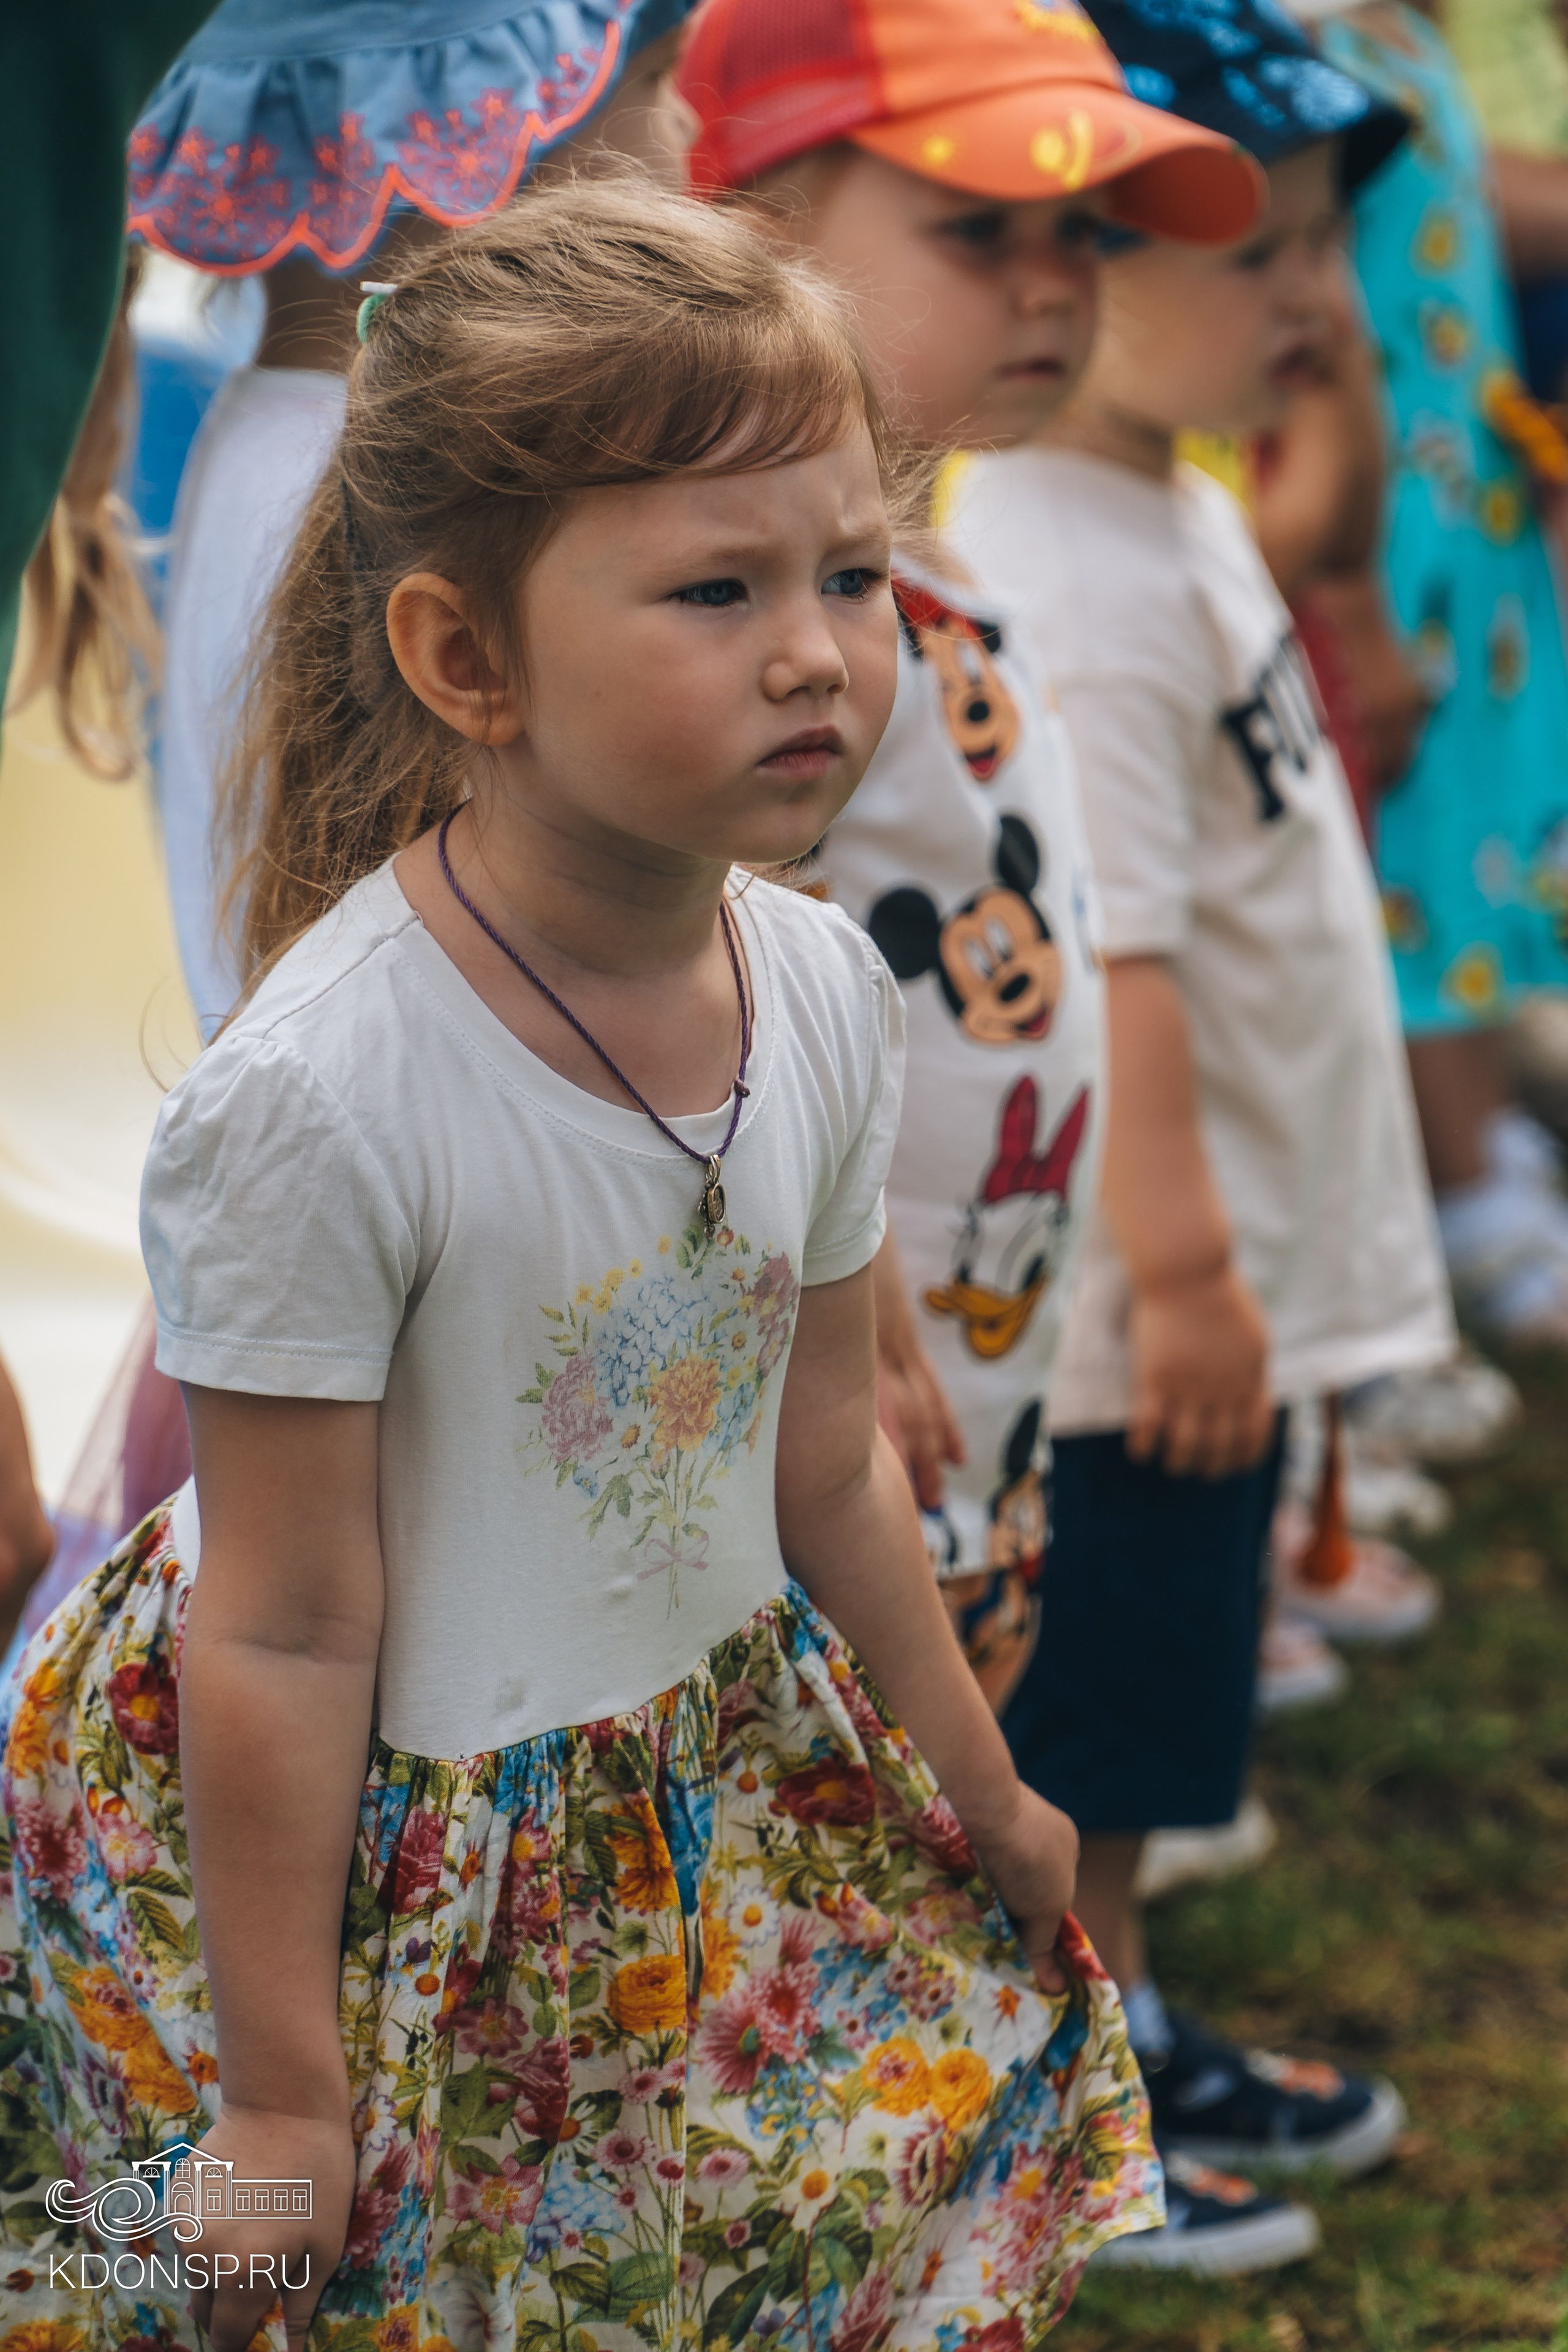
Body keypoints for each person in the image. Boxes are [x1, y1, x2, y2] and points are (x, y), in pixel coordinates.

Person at [0, 183, 1160, 2351]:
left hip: (684, 1779)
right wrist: (280, 2097)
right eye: (718, 588)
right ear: (468, 658)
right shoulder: (323, 1102)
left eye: (851, 574)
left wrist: (982, 1787)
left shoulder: (824, 990)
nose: (815, 651)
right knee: (361, 2285)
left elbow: (827, 1460)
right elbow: (285, 1622)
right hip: (352, 1849)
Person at [948, 0, 1455, 2274]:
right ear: (1085, 263)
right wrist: (1185, 1274)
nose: (1320, 301)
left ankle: (1121, 2026)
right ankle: (1077, 2104)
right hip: (1144, 1313)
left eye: (1326, 246)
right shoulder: (1062, 565)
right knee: (1102, 1717)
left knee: (1155, 1706)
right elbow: (1118, 959)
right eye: (1267, 256)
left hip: (1201, 1280)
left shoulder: (1164, 500)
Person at [670, 0, 1263, 1714]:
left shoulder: (944, 570)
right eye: (979, 232)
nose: (1054, 287)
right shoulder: (793, 630)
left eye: (1078, 234)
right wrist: (829, 1308)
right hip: (838, 1393)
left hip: (976, 1362)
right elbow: (725, 976)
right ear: (760, 232)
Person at [1297, 1, 1568, 1343]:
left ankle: (1484, 1141)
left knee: (1470, 836)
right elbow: (1304, 333)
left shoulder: (1396, 29)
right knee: (1407, 865)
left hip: (1467, 520)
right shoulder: (1287, 49)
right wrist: (1347, 593)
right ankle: (1468, 1206)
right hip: (1382, 534)